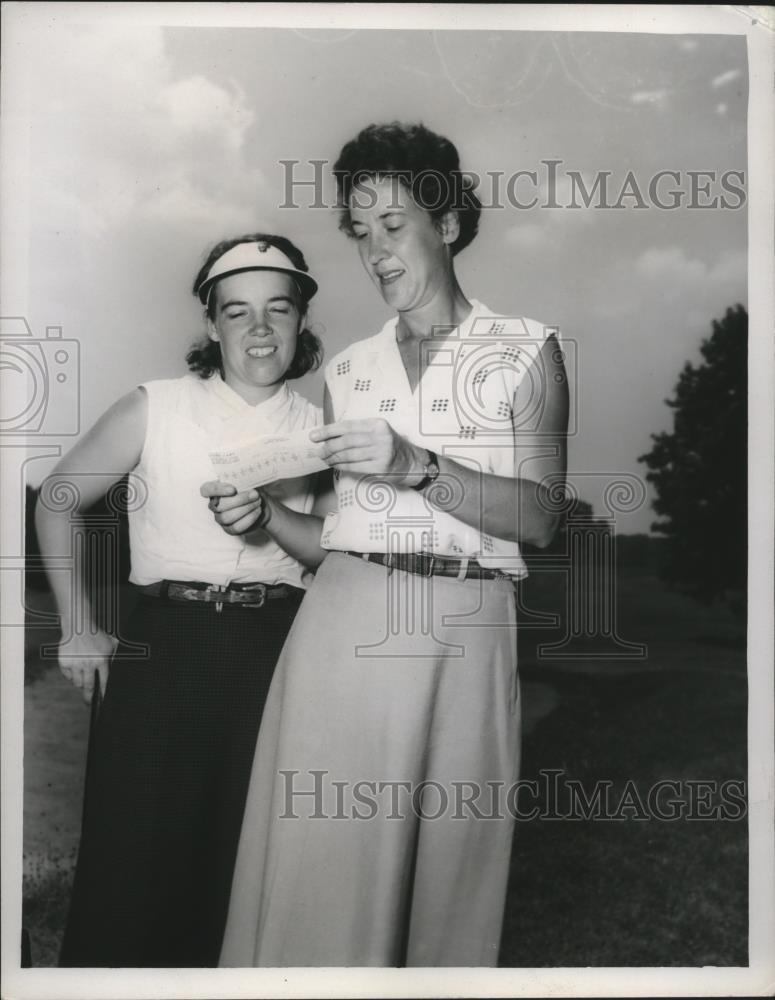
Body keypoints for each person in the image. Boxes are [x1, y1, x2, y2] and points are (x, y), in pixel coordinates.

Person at [208, 122, 569, 967]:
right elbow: (332, 540)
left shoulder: (526, 350)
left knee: (450, 872)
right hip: (340, 624)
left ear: (445, 225)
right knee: (318, 867)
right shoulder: (347, 372)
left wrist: (415, 465)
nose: (374, 253)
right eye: (359, 233)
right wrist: (263, 518)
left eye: (393, 226)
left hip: (468, 628)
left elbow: (543, 517)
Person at [36, 233, 326, 966]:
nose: (259, 331)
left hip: (276, 655)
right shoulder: (156, 406)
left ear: (300, 319)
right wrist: (79, 629)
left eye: (277, 309)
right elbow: (59, 500)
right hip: (162, 648)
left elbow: (335, 552)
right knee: (133, 867)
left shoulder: (323, 432)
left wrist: (275, 520)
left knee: (243, 872)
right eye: (237, 312)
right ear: (210, 322)